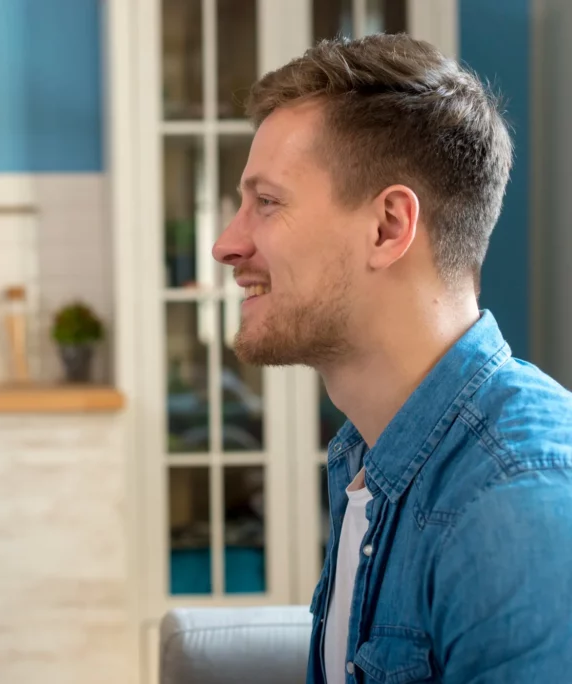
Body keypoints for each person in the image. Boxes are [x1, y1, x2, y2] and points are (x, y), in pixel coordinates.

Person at [213, 33, 572, 683]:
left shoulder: (517, 499)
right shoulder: (365, 453)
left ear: (388, 227)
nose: (226, 244)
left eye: (267, 203)